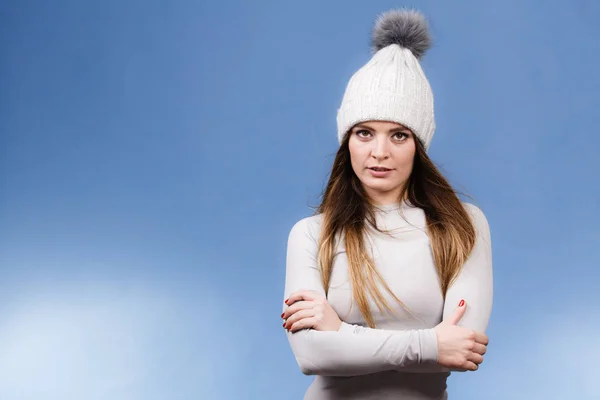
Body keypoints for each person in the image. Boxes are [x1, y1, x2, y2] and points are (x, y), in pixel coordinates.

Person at [280, 8, 493, 400]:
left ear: (419, 145)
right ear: (347, 142)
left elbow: (461, 350)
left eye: (398, 135)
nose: (379, 152)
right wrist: (430, 344)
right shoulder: (312, 235)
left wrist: (340, 333)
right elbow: (310, 354)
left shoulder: (463, 225)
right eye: (364, 133)